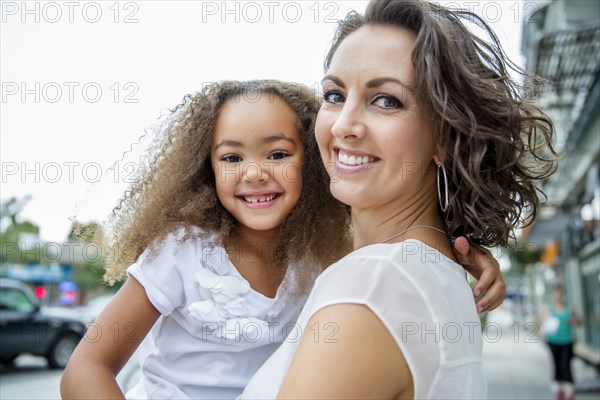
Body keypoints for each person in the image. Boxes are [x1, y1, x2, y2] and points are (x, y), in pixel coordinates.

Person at [60, 79, 505, 399]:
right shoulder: (183, 251)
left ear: (311, 162)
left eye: (277, 154)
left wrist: (466, 254)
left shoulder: (327, 255)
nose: (254, 172)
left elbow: (400, 259)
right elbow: (86, 367)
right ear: (208, 170)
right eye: (232, 157)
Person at [241, 0, 557, 399]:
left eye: (386, 100)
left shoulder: (374, 283)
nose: (343, 125)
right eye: (334, 94)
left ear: (444, 137)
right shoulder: (427, 274)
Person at [541, 284, 582, 400]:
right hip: (553, 341)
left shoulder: (570, 308)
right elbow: (539, 322)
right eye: (556, 293)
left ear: (563, 295)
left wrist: (573, 320)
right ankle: (559, 391)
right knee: (557, 365)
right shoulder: (548, 309)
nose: (558, 296)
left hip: (567, 341)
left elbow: (580, 322)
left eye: (561, 293)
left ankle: (569, 393)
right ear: (553, 295)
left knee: (566, 365)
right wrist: (544, 319)